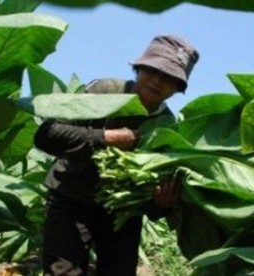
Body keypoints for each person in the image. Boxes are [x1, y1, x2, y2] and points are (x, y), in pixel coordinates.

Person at [34, 35, 199, 276]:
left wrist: (160, 204)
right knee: (64, 272)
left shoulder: (168, 127)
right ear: (139, 68)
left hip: (122, 213)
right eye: (152, 70)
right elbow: (47, 135)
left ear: (178, 88)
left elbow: (154, 196)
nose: (157, 81)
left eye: (169, 78)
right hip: (71, 197)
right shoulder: (105, 91)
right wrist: (106, 137)